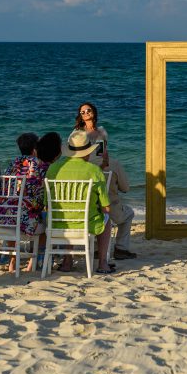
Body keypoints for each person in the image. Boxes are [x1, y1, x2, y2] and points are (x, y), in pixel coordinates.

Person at [46, 130, 115, 274]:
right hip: (85, 224)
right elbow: (106, 206)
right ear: (88, 152)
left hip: (58, 223)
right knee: (107, 219)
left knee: (68, 213)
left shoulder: (53, 168)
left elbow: (46, 201)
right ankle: (102, 263)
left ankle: (67, 261)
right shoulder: (94, 170)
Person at [74, 102, 135, 259]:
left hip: (83, 208)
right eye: (83, 112)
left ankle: (96, 248)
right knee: (128, 213)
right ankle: (121, 248)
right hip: (108, 209)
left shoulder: (81, 165)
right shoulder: (112, 165)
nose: (86, 113)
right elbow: (125, 188)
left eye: (88, 110)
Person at [0, 132, 52, 273]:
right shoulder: (41, 165)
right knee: (45, 222)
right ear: (35, 148)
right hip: (28, 217)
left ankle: (12, 259)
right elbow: (42, 193)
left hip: (8, 214)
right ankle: (34, 260)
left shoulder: (12, 164)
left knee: (17, 213)